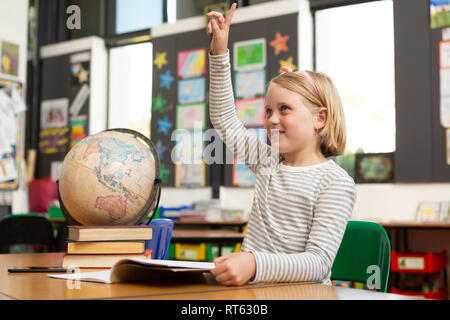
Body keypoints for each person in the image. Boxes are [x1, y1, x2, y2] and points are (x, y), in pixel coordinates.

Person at [207, 3, 357, 286]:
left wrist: (253, 263)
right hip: (254, 293)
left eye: (284, 109)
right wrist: (219, 52)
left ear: (319, 118)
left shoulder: (335, 183)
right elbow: (224, 118)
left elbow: (317, 263)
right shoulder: (267, 160)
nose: (271, 120)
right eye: (267, 111)